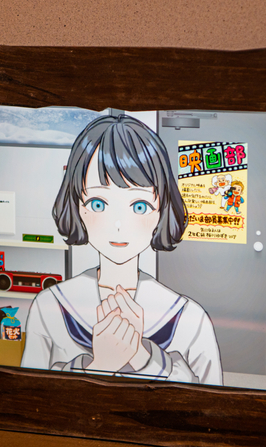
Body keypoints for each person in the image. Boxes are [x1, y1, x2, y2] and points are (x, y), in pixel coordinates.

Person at [20, 115, 223, 385]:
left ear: (162, 211)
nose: (118, 225)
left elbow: (210, 401)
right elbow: (34, 396)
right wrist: (100, 365)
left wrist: (141, 356)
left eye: (139, 206)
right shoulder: (50, 307)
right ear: (76, 205)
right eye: (98, 204)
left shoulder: (190, 318)